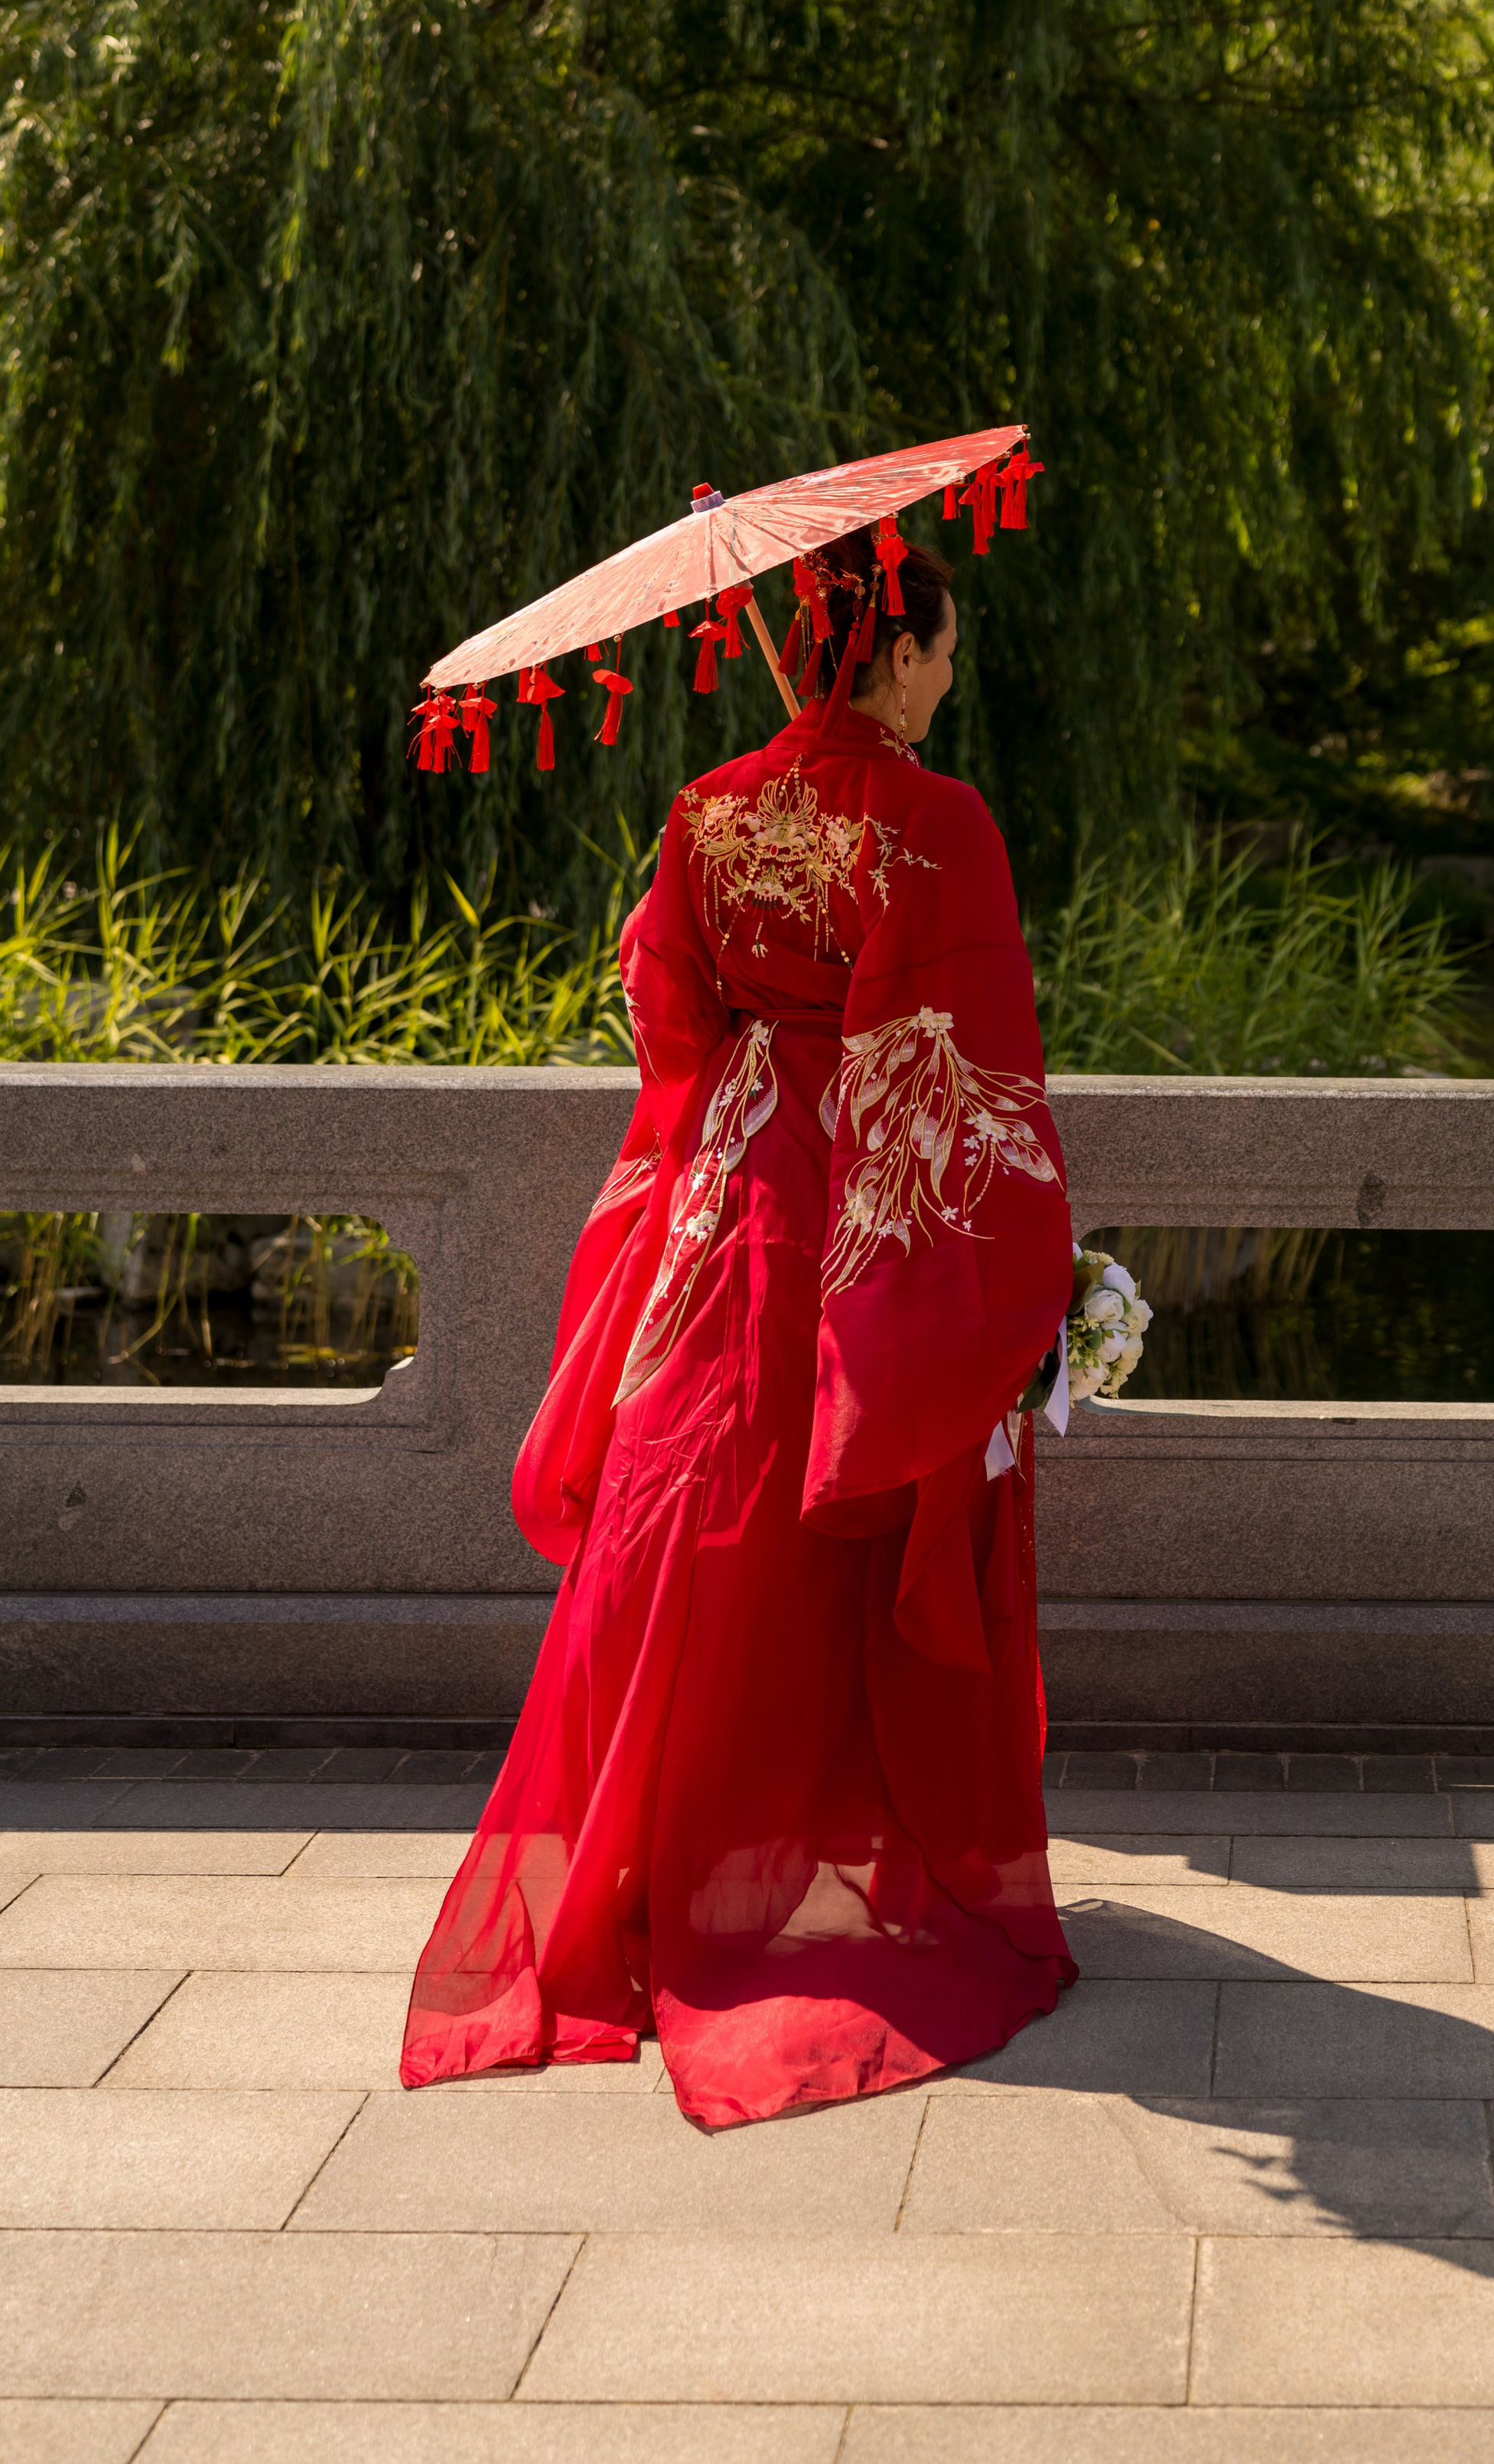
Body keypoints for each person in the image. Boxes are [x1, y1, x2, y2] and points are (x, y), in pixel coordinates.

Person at [399, 529, 1078, 2126]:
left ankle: (670, 1878)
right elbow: (964, 1072)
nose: (953, 667)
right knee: (826, 1516)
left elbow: (667, 1018)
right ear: (895, 654)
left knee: (697, 1527)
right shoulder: (933, 822)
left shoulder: (703, 810)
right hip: (858, 1203)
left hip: (727, 1201)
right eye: (945, 642)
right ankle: (791, 1875)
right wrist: (1009, 1282)